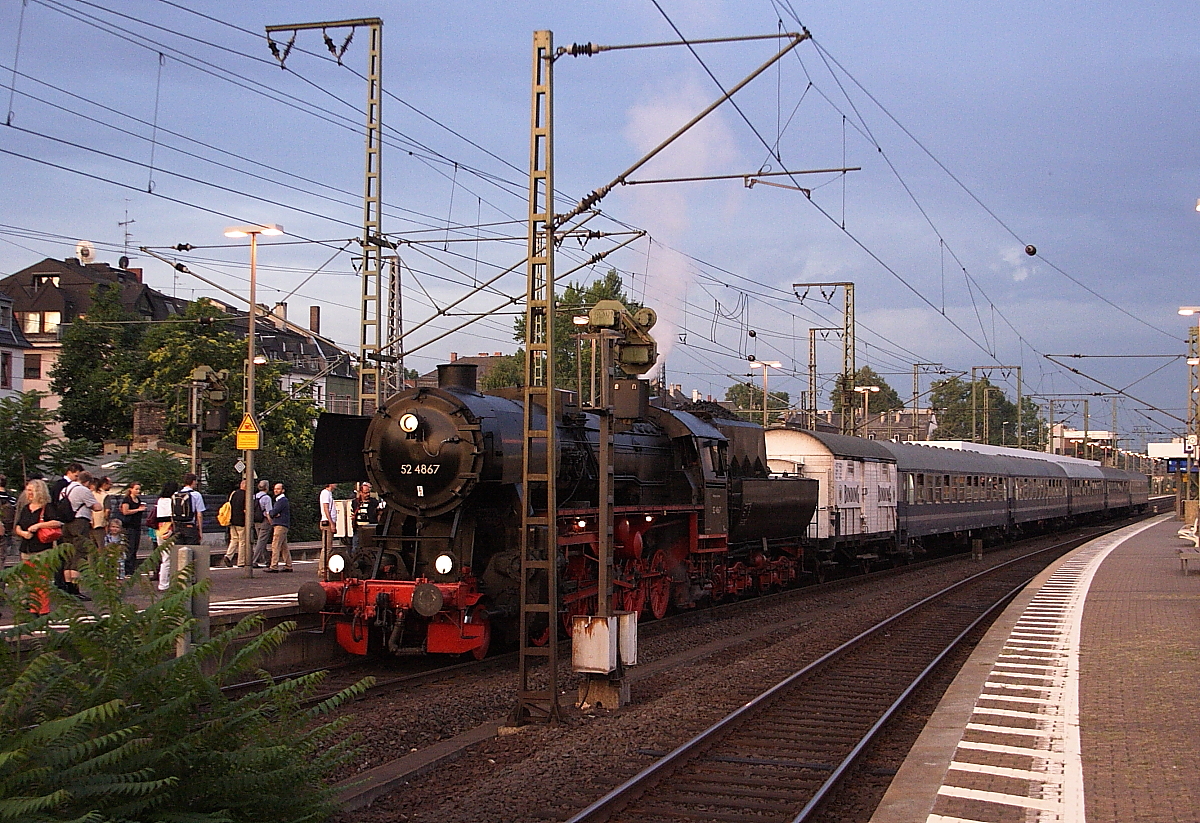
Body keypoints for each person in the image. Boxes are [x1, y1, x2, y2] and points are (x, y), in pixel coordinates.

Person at [13, 479, 64, 614]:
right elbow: (18, 526)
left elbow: (57, 522)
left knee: (42, 581)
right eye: (27, 490)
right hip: (26, 548)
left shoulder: (47, 507)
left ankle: (43, 610)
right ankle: (32, 608)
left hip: (42, 549)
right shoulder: (26, 508)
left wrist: (39, 525)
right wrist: (23, 533)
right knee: (29, 581)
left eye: (31, 490)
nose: (28, 493)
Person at [61, 470, 101, 600]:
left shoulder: (65, 489)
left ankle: (67, 588)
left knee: (68, 554)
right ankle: (75, 589)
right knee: (79, 553)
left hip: (66, 523)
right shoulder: (83, 490)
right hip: (79, 521)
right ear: (88, 482)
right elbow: (96, 507)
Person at [153, 480, 180, 591]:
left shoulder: (160, 500)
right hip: (168, 529)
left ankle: (163, 581)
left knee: (164, 556)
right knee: (168, 558)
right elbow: (173, 516)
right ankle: (164, 583)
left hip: (160, 528)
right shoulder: (171, 501)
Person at [118, 483, 147, 577]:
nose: (138, 491)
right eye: (136, 489)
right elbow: (125, 511)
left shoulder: (138, 500)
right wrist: (138, 510)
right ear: (131, 489)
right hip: (129, 526)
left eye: (139, 489)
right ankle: (127, 569)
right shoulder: (127, 500)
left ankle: (132, 568)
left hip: (137, 525)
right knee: (129, 547)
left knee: (135, 548)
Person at [222, 479, 248, 568]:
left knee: (234, 539)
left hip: (232, 520)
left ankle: (228, 556)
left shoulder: (233, 494)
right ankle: (241, 561)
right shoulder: (246, 495)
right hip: (241, 521)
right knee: (242, 541)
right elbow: (246, 509)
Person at [266, 482, 291, 573]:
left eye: (278, 489)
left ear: (283, 490)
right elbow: (275, 513)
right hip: (283, 524)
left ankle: (274, 566)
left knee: (275, 545)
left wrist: (271, 513)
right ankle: (288, 565)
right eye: (275, 489)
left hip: (280, 525)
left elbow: (273, 512)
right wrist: (275, 513)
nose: (276, 490)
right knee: (284, 546)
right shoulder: (281, 500)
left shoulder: (281, 501)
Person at [351, 481, 379, 552]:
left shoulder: (374, 502)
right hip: (358, 529)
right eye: (365, 493)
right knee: (355, 548)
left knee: (370, 549)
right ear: (361, 493)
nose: (368, 494)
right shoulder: (355, 503)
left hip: (370, 529)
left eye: (368, 492)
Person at [252, 480, 273, 568]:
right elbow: (268, 512)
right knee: (261, 541)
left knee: (261, 540)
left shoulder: (254, 496)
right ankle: (253, 560)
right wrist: (272, 522)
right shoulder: (266, 498)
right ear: (267, 487)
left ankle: (267, 560)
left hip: (256, 520)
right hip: (264, 520)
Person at [318, 482, 336, 577]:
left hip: (328, 522)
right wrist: (331, 523)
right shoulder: (325, 493)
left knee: (328, 547)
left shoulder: (329, 493)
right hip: (327, 522)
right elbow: (326, 508)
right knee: (326, 547)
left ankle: (324, 568)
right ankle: (322, 569)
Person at [90, 476, 113, 547]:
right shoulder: (105, 496)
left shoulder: (91, 493)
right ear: (104, 484)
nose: (111, 486)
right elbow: (107, 511)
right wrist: (107, 522)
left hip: (89, 523)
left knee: (91, 548)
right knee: (101, 547)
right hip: (100, 524)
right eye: (110, 484)